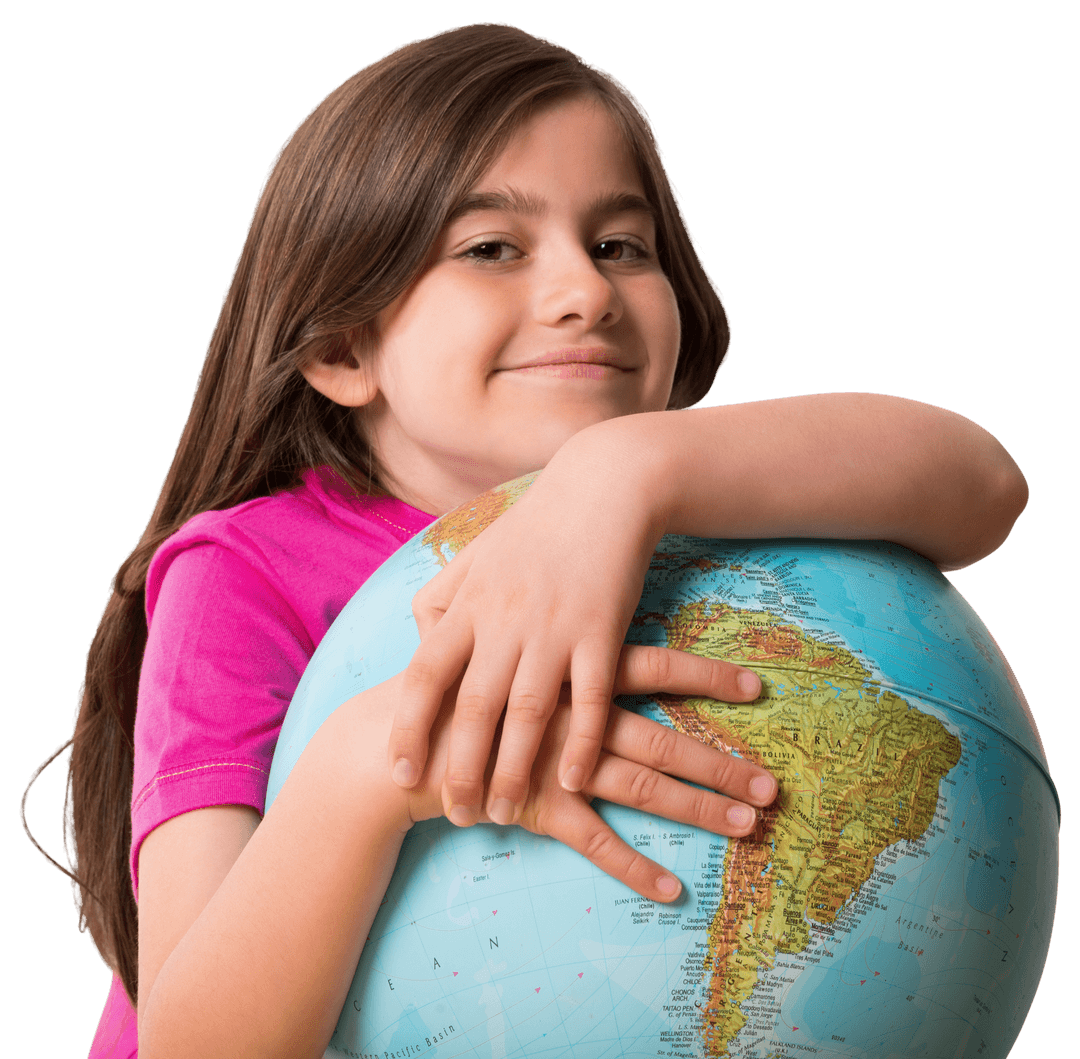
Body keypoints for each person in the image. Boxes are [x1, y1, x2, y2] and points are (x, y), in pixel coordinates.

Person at [30, 23, 1027, 1059]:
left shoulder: (694, 508)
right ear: (340, 346)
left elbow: (984, 485)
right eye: (491, 248)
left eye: (620, 246)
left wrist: (625, 473)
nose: (585, 292)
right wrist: (379, 766)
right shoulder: (244, 571)